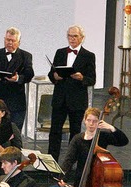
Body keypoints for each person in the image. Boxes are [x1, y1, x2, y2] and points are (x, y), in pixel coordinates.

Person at [47, 24, 96, 161]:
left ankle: (70, 162)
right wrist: (55, 76)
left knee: (75, 133)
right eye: (69, 36)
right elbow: (52, 73)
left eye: (75, 36)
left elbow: (92, 79)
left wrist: (82, 78)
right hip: (60, 98)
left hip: (77, 100)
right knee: (55, 131)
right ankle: (51, 162)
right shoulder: (60, 52)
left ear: (82, 38)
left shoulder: (88, 56)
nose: (72, 39)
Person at [59, 107, 129, 187]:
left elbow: (123, 141)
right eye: (89, 120)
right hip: (81, 180)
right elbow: (69, 160)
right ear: (84, 121)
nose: (91, 123)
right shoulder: (77, 139)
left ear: (100, 122)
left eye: (95, 121)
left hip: (99, 181)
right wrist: (63, 178)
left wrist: (111, 128)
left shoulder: (103, 136)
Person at [0, 27, 34, 130]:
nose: (9, 43)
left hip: (16, 103)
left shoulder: (26, 56)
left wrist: (17, 78)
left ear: (18, 42)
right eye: (7, 40)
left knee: (14, 133)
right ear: (4, 39)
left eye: (13, 40)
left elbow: (29, 74)